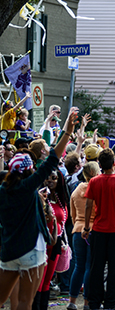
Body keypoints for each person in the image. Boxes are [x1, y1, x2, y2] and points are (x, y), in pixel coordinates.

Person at [0, 110, 76, 310]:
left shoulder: (2, 191)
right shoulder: (28, 187)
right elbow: (52, 160)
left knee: (2, 299)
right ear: (29, 170)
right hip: (33, 250)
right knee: (26, 302)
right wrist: (67, 132)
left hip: (8, 250)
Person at [82, 148, 115, 310]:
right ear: (114, 164)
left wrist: (86, 227)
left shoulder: (94, 182)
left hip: (98, 229)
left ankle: (94, 302)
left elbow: (89, 205)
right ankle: (110, 303)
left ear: (100, 164)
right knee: (114, 268)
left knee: (96, 267)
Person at [34, 169, 69, 310]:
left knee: (47, 280)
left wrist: (64, 242)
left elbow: (62, 222)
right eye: (47, 177)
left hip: (55, 244)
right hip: (40, 243)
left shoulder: (61, 199)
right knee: (39, 281)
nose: (50, 181)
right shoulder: (38, 197)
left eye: (54, 178)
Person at [68, 162, 100, 310]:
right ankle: (87, 302)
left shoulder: (76, 190)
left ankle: (72, 301)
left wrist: (77, 224)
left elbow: (72, 214)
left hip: (77, 230)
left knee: (78, 267)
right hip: (94, 230)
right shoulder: (98, 190)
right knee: (89, 267)